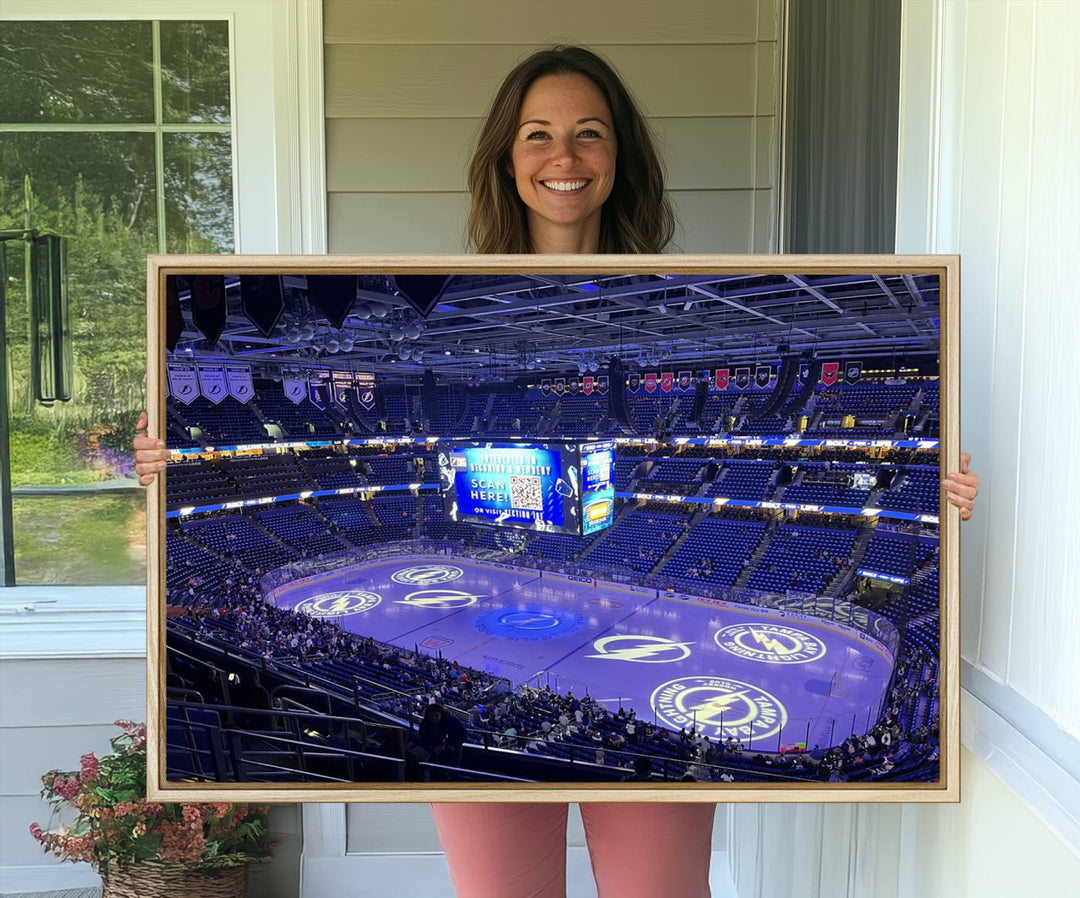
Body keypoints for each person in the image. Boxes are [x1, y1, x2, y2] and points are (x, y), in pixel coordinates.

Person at [134, 42, 981, 898]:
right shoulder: (450, 295)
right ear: (506, 158)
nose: (563, 156)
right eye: (537, 134)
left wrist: (941, 491)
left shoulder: (682, 288)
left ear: (621, 158)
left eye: (589, 133)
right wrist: (158, 456)